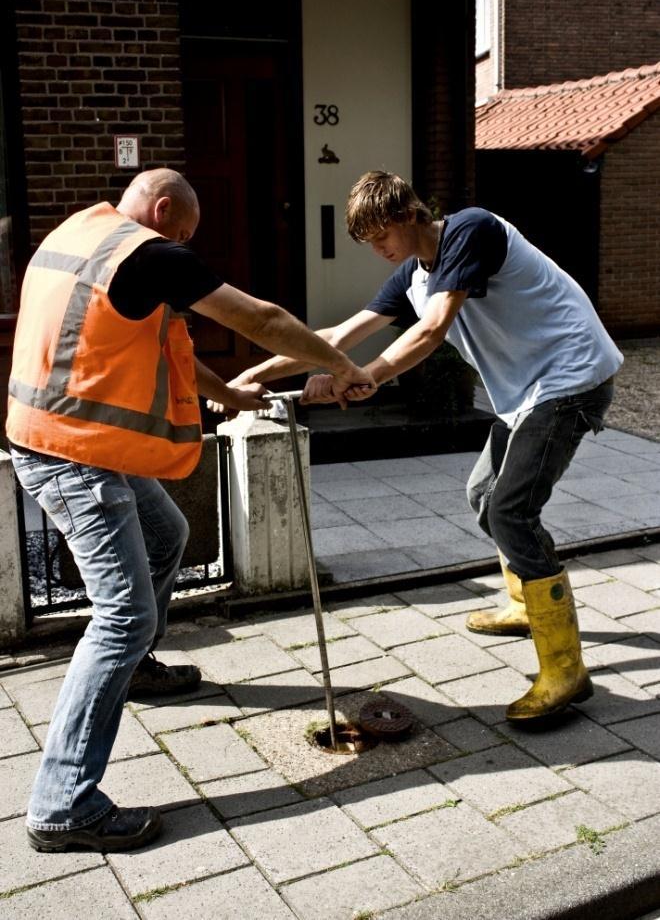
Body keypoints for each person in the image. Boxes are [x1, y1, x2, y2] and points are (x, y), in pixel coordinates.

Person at [6, 168, 375, 852]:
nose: (184, 245)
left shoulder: (80, 235)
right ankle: (63, 802)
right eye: (184, 233)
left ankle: (135, 669)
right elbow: (262, 320)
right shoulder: (149, 254)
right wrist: (344, 367)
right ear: (166, 210)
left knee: (166, 532)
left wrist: (233, 399)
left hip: (61, 435)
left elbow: (163, 350)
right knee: (124, 612)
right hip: (72, 453)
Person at [222, 170, 623, 728]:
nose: (379, 250)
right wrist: (252, 377)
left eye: (382, 235)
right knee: (483, 494)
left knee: (512, 509)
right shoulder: (412, 275)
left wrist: (365, 376)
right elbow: (338, 337)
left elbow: (433, 330)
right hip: (528, 391)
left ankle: (565, 669)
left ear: (410, 214)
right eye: (370, 242)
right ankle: (526, 605)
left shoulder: (471, 231)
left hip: (570, 378)